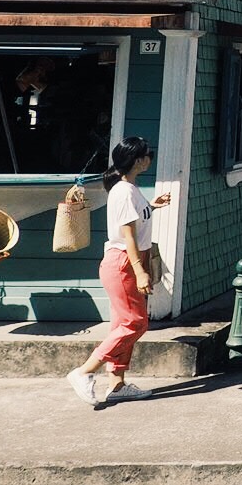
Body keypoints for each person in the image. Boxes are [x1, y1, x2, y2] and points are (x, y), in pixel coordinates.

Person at [68, 138, 171, 407]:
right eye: (149, 154)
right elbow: (128, 235)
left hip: (127, 262)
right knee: (134, 324)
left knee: (121, 325)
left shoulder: (130, 189)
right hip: (124, 262)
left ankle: (117, 385)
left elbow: (136, 218)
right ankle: (84, 371)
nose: (151, 158)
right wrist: (140, 271)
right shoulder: (124, 191)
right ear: (138, 160)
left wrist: (153, 205)